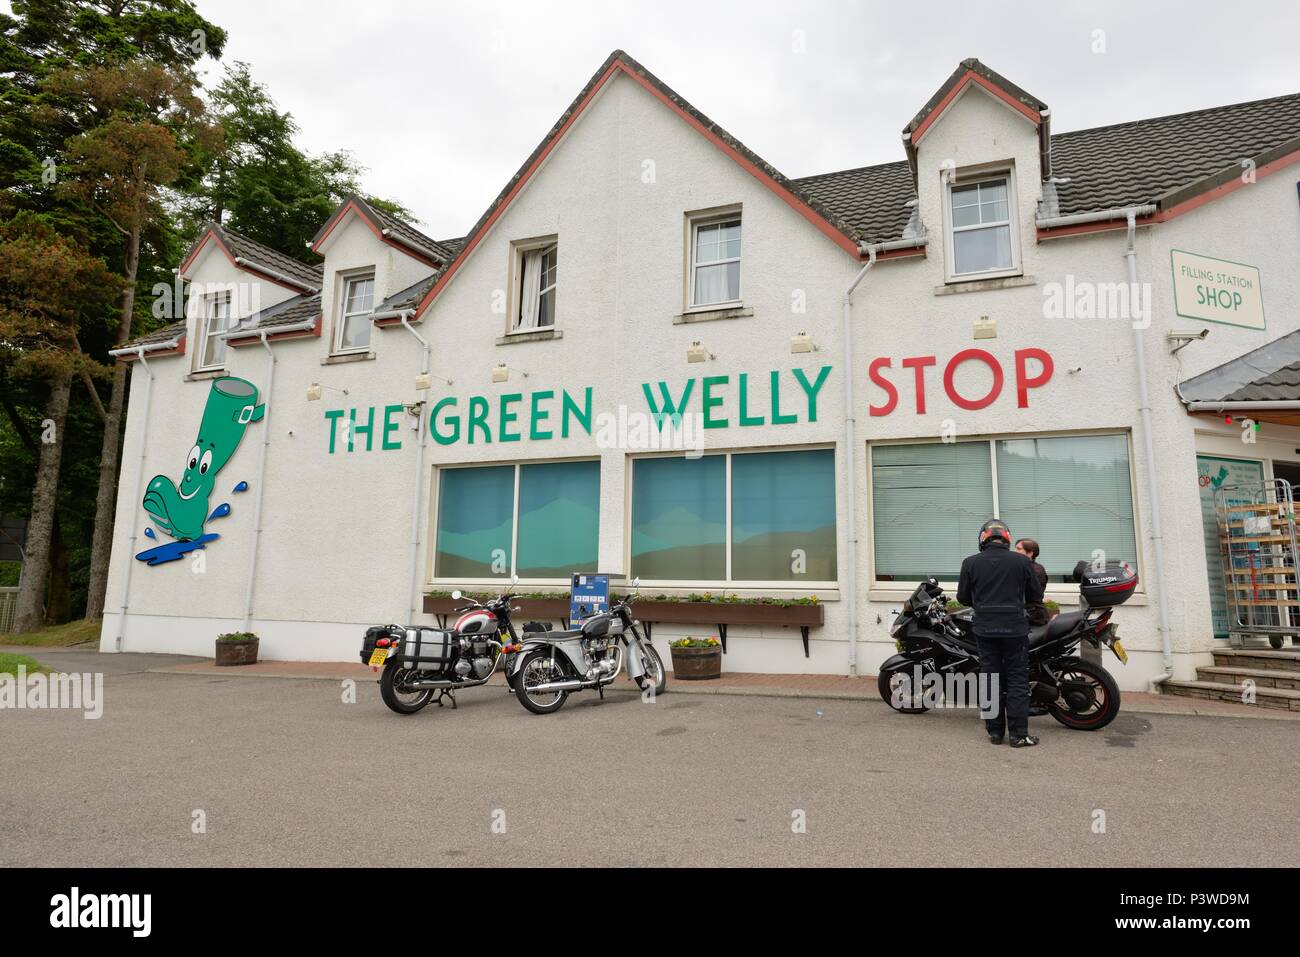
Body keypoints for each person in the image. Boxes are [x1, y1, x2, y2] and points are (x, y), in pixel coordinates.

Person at [957, 519, 1045, 748]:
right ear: (1006, 539)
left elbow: (963, 598)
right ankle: (1018, 735)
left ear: (983, 538)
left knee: (989, 678)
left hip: (984, 629)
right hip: (1014, 629)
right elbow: (1035, 595)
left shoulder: (970, 563)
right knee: (1017, 679)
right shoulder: (1022, 562)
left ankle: (995, 732)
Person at [1015, 538, 1050, 627]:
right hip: (1024, 615)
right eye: (1015, 548)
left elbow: (1029, 593)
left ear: (1030, 553)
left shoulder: (1035, 570)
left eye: (1019, 549)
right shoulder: (1021, 567)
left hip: (1033, 617)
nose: (1014, 551)